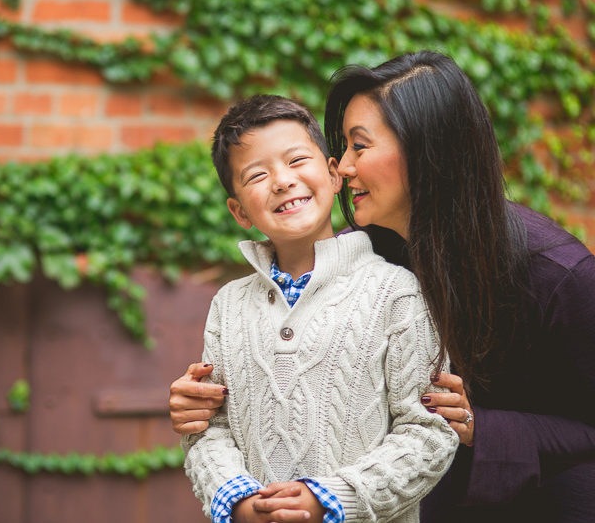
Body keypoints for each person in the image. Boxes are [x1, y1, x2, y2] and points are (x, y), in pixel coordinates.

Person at [170, 51, 595, 522]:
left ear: (425, 149)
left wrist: (480, 426)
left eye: (359, 146)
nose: (343, 166)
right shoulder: (359, 256)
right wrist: (202, 407)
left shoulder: (560, 274)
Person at [181, 94, 456, 523]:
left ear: (333, 175)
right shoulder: (229, 305)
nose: (281, 181)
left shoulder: (396, 292)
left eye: (296, 161)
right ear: (239, 211)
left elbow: (429, 432)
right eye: (257, 175)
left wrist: (329, 498)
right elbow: (208, 429)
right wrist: (235, 502)